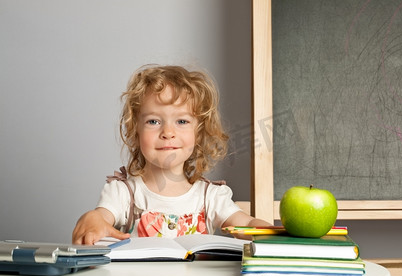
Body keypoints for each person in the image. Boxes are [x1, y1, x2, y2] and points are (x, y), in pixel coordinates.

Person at [72, 64, 272, 245]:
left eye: (182, 121)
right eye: (153, 121)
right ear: (136, 130)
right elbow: (100, 217)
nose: (168, 132)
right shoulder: (124, 193)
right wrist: (92, 219)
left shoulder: (210, 197)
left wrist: (270, 233)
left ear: (199, 132)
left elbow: (246, 224)